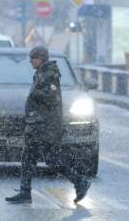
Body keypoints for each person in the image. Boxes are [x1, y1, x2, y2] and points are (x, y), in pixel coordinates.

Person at [5, 46, 91, 204]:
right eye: (31, 57)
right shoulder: (41, 72)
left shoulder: (50, 74)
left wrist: (34, 95)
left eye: (33, 58)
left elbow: (51, 98)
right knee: (29, 157)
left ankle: (80, 182)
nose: (31, 61)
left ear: (41, 58)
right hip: (37, 124)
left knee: (50, 158)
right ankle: (25, 192)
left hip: (45, 125)